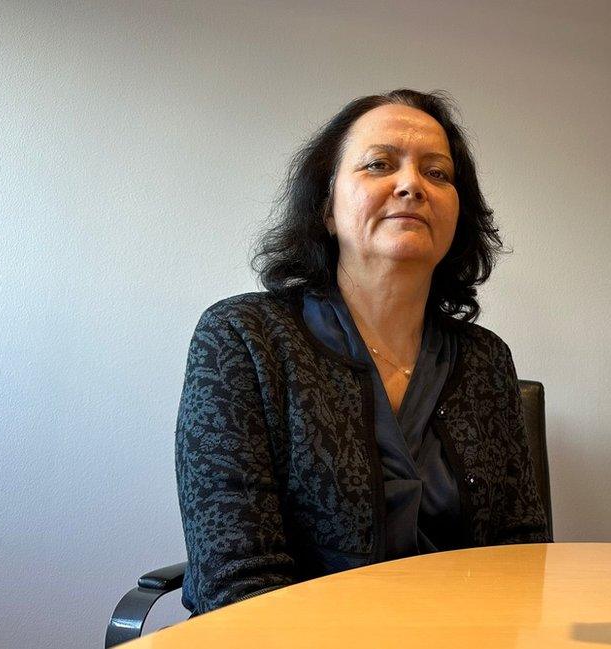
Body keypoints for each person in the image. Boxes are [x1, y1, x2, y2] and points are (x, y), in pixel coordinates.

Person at [175, 89, 550, 616]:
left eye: (437, 174)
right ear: (326, 209)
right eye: (379, 165)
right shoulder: (243, 337)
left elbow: (523, 551)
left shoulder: (486, 360)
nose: (410, 185)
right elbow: (236, 579)